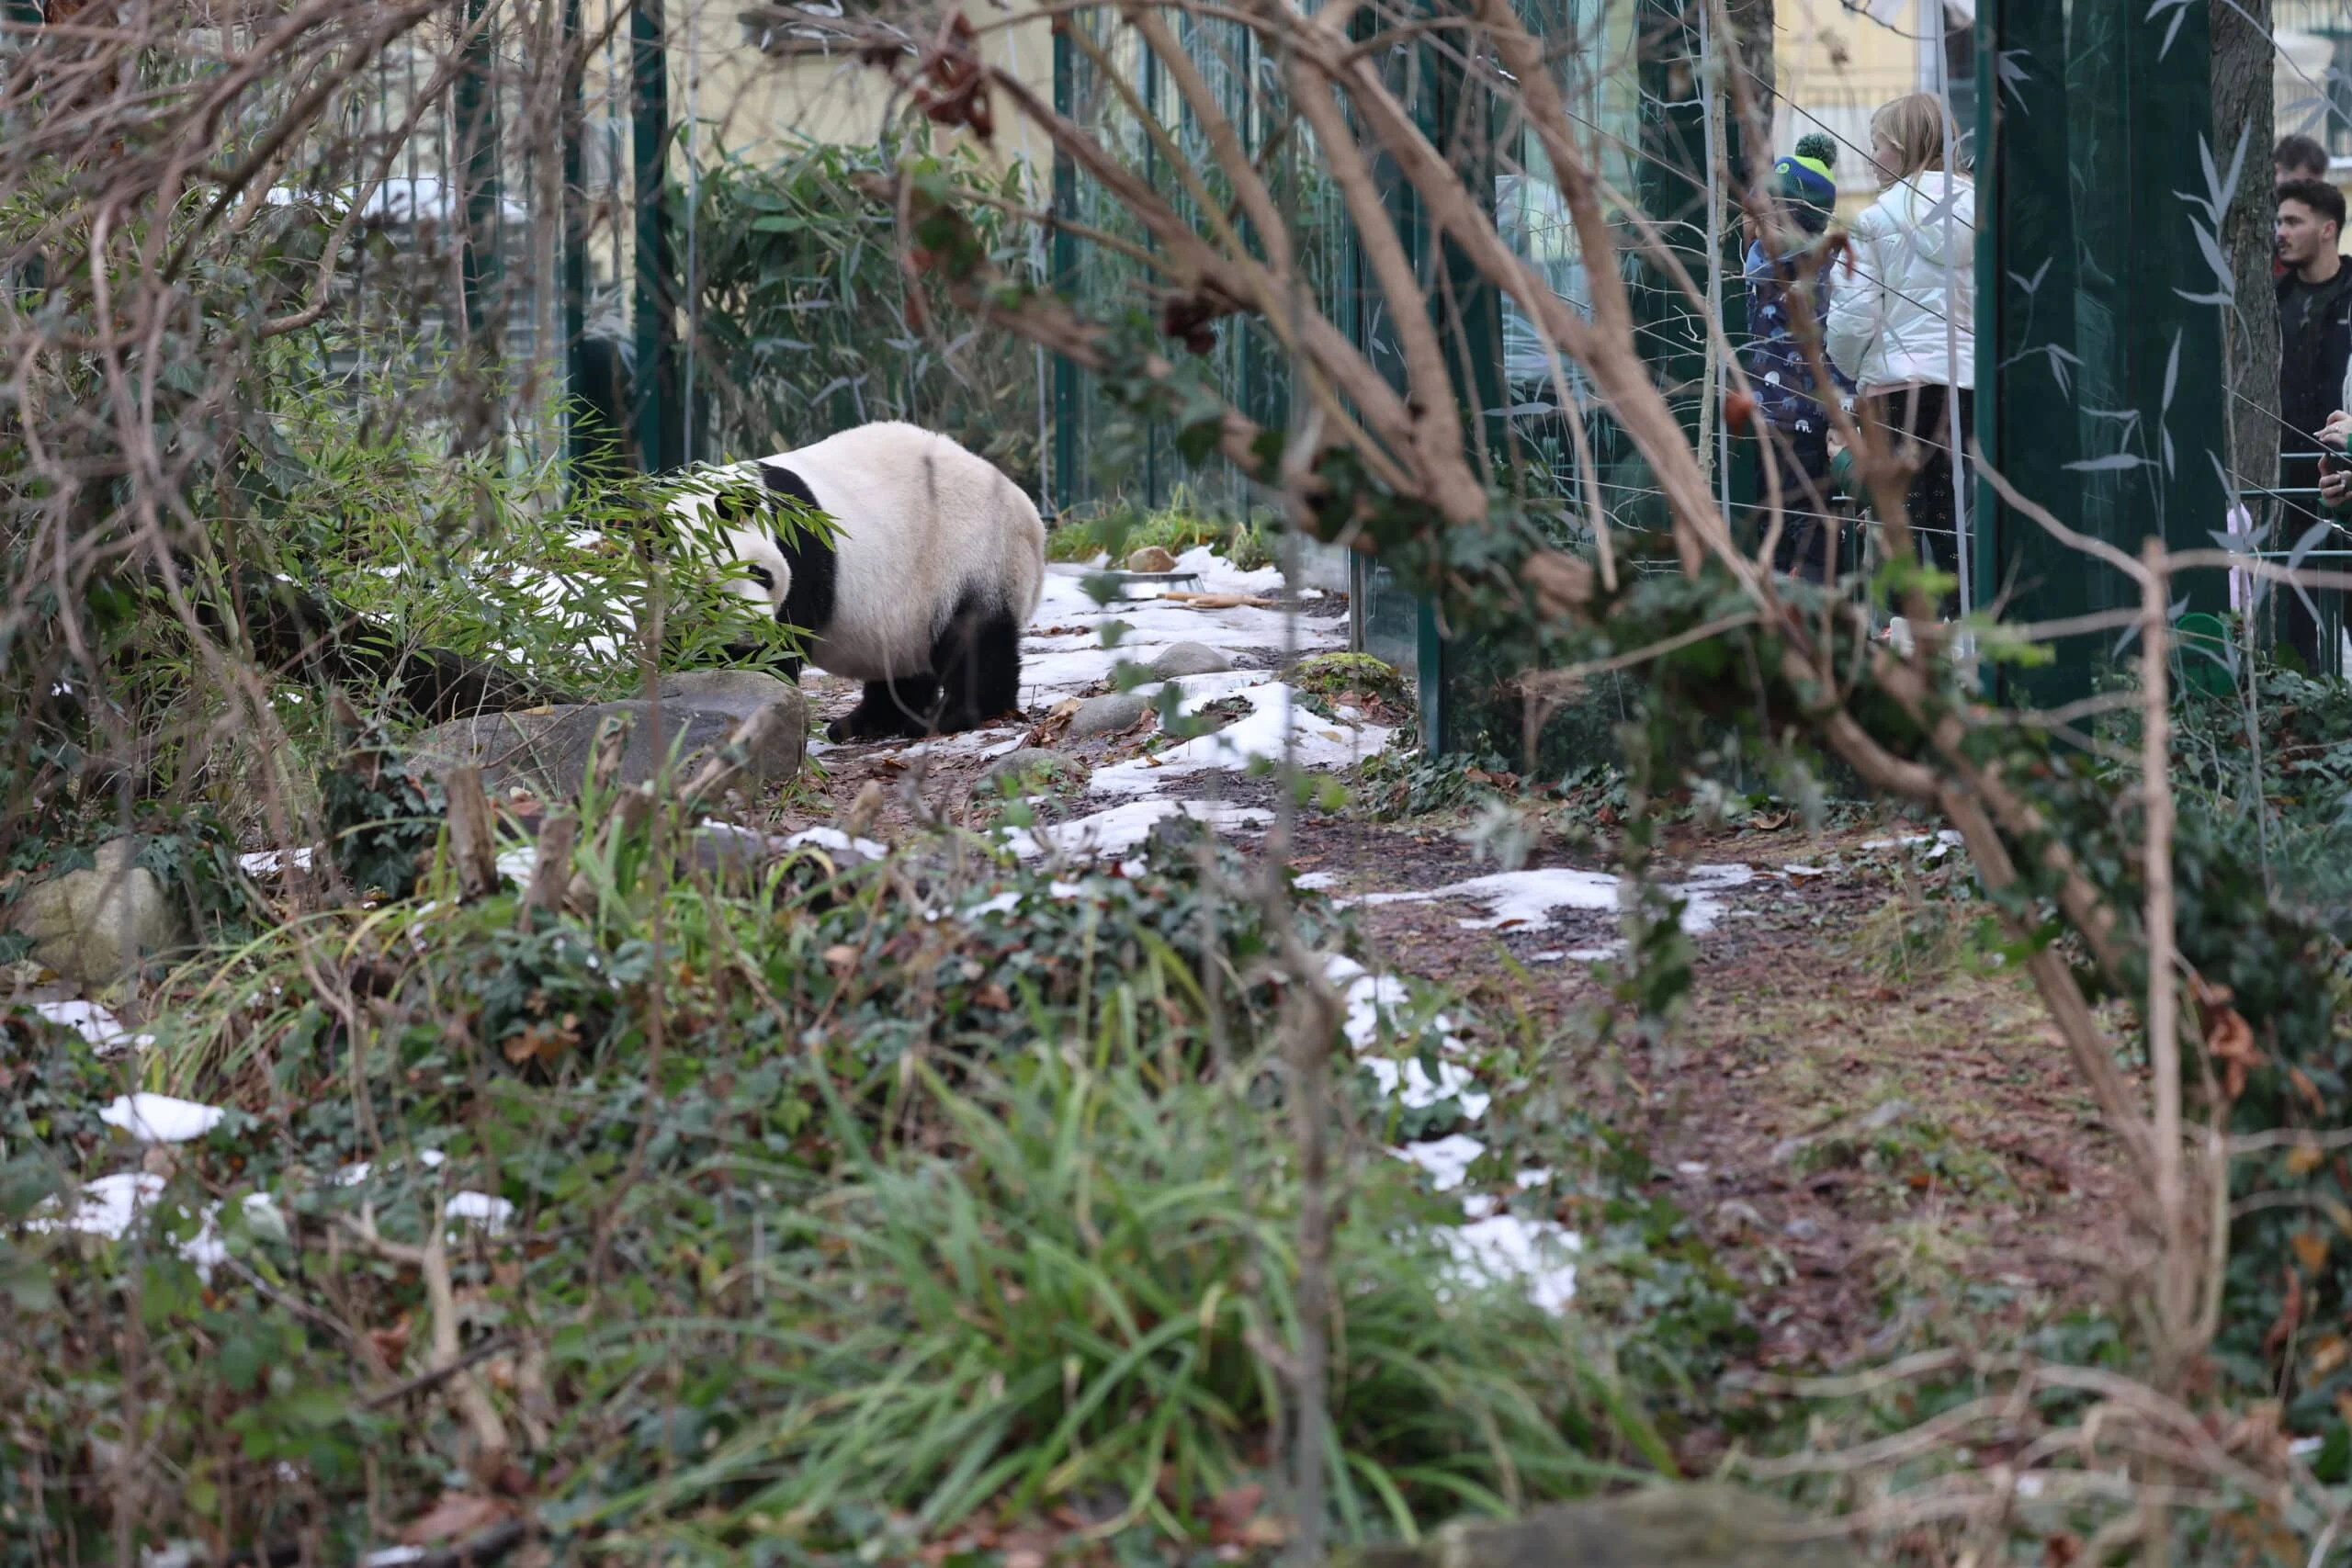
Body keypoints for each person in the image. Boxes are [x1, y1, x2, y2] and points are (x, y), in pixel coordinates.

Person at [1825, 92, 1974, 614]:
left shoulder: (1876, 219)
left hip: (1899, 392)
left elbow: (1852, 319)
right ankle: (1970, 624)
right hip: (1974, 389)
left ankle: (1913, 634)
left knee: (1905, 519)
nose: (1869, 158)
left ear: (1907, 148)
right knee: (1962, 513)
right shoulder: (1984, 211)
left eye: (1879, 146)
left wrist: (1847, 368)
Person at [1739, 133, 1853, 582]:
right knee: (1802, 512)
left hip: (1788, 416)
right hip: (1806, 414)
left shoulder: (1779, 259)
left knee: (1794, 516)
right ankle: (1808, 599)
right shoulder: (1821, 261)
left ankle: (1808, 602)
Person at [2275, 177, 2352, 668]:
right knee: (2293, 618)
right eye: (2278, 220)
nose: (2279, 231)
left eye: (2292, 221)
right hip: (2283, 479)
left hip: (2346, 475)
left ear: (2328, 229)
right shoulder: (2271, 298)